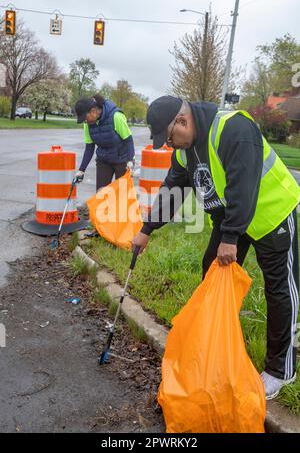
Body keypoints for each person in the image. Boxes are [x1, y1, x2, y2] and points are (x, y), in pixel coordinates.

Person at [132, 95, 300, 400]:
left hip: (270, 213)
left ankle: (280, 370)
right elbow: (172, 192)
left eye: (170, 137)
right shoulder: (184, 152)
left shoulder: (232, 128)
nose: (170, 145)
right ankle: (213, 345)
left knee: (279, 289)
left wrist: (231, 237)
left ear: (182, 121)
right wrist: (146, 230)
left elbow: (243, 186)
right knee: (211, 272)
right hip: (232, 218)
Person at [74, 94, 135, 189]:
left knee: (122, 196)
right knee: (101, 195)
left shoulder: (116, 116)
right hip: (104, 159)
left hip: (122, 159)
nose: (85, 122)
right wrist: (81, 170)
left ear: (93, 111)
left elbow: (128, 140)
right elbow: (89, 148)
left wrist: (130, 161)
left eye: (85, 118)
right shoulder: (88, 124)